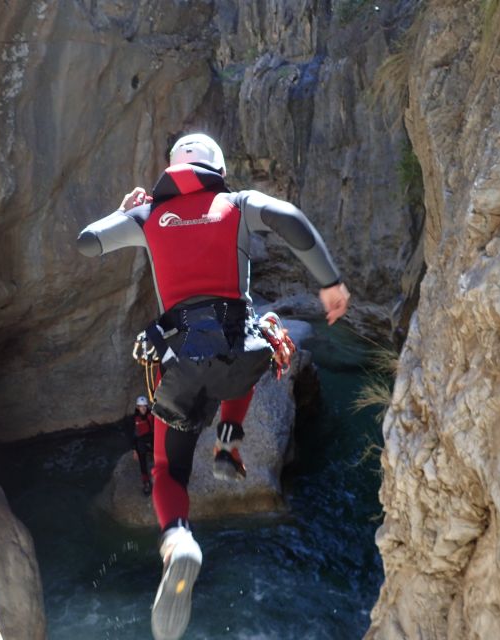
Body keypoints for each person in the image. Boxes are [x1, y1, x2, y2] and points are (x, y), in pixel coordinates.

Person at [77, 133, 349, 640]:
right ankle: (228, 439)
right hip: (241, 354)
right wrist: (329, 282)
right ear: (218, 169)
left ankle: (178, 540)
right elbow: (289, 218)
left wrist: (126, 210)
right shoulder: (237, 203)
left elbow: (88, 242)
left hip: (182, 363)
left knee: (167, 468)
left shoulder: (147, 216)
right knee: (246, 353)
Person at [133, 395, 154, 495]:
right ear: (138, 407)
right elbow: (132, 435)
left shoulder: (151, 414)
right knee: (142, 456)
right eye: (141, 406)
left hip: (151, 436)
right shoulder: (134, 419)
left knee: (157, 451)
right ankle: (145, 480)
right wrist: (134, 450)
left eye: (145, 406)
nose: (143, 408)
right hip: (140, 440)